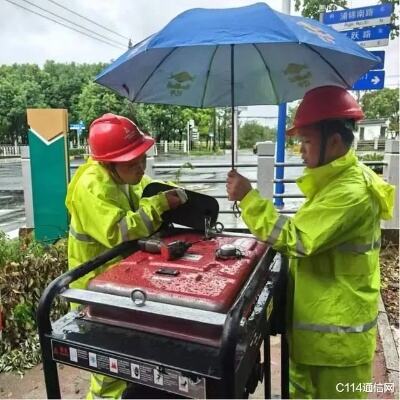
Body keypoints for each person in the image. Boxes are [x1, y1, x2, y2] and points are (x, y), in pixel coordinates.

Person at [226, 86, 394, 399]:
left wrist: (249, 198)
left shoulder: (350, 193)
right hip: (318, 332)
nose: (300, 150)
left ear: (334, 142)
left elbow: (296, 239)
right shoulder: (333, 183)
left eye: (306, 141)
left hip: (337, 344)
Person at [66, 113, 185, 399]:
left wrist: (172, 193)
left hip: (119, 287)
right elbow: (119, 231)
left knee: (130, 367)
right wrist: (158, 206)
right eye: (133, 163)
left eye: (142, 158)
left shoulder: (124, 175)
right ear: (109, 163)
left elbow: (147, 187)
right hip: (94, 294)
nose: (141, 167)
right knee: (109, 374)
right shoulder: (91, 187)